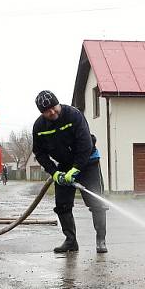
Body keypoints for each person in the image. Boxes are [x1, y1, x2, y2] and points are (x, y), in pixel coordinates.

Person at [32, 90, 107, 253]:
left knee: (97, 203)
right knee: (62, 205)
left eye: (54, 107)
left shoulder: (74, 115)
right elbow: (39, 153)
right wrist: (54, 173)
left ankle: (101, 240)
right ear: (42, 112)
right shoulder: (39, 127)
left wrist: (76, 169)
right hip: (64, 166)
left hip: (88, 162)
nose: (52, 112)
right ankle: (71, 241)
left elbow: (85, 145)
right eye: (47, 111)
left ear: (58, 103)